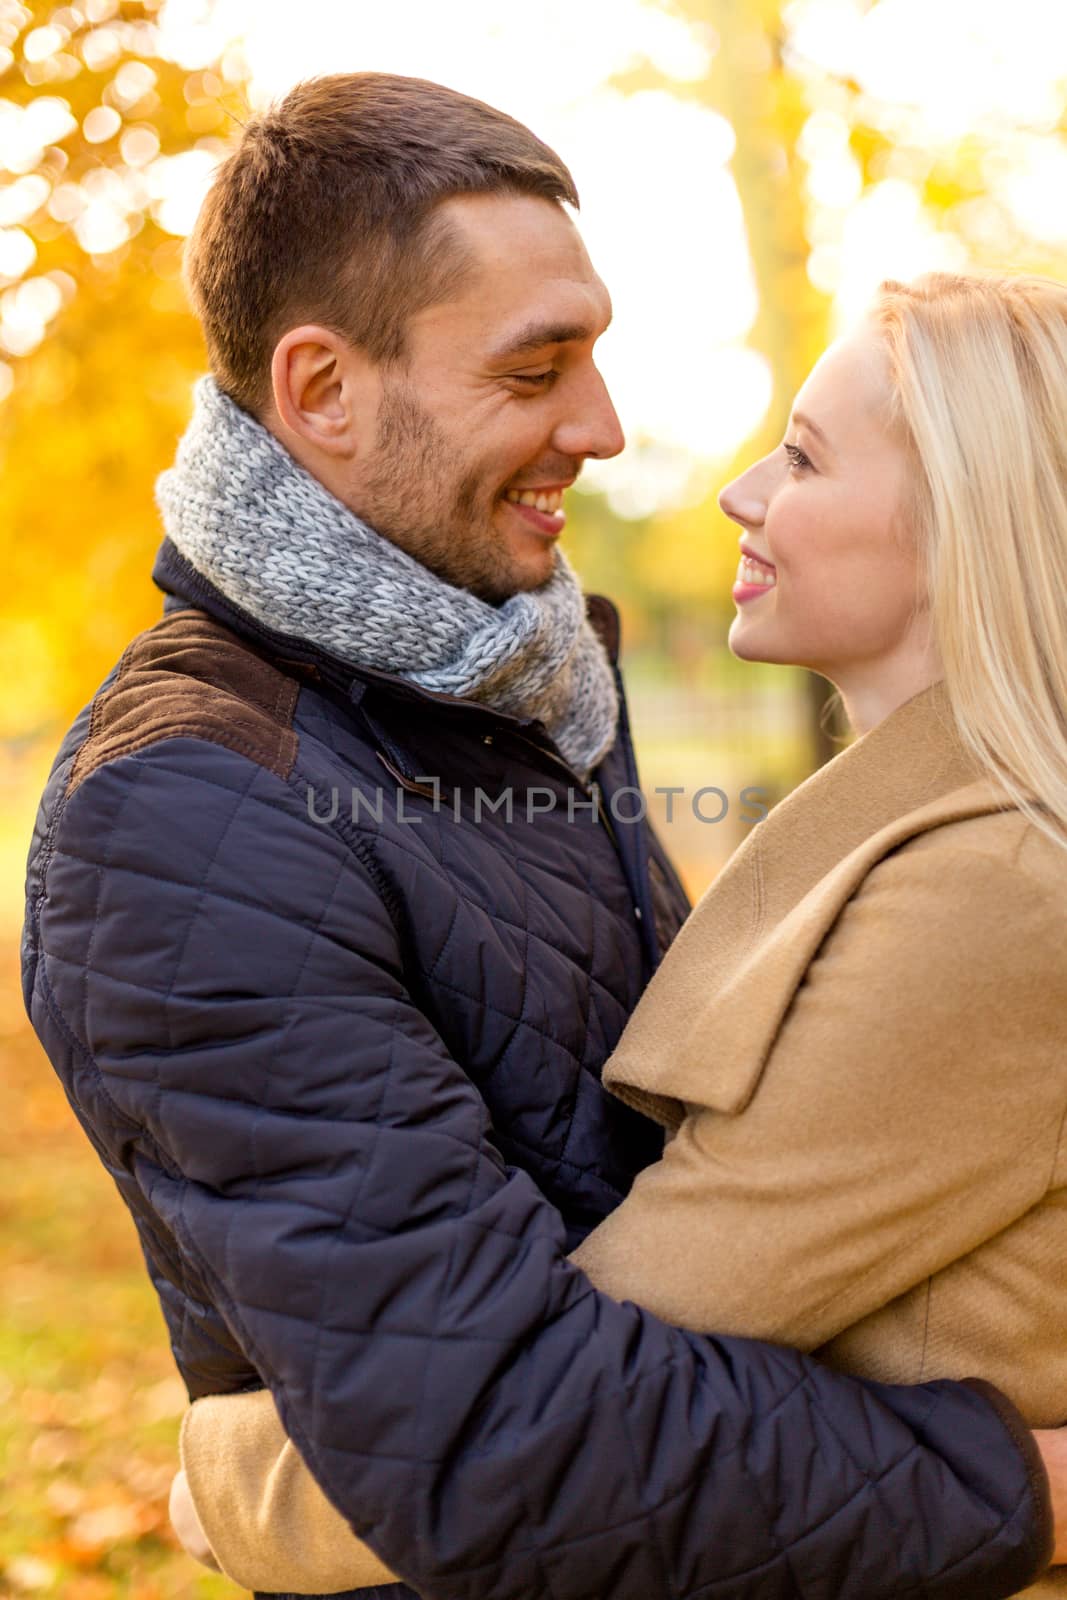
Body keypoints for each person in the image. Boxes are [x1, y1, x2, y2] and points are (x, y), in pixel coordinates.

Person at [20, 72, 1063, 1600]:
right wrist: (1027, 1484)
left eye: (598, 355)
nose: (608, 426)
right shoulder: (195, 814)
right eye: (535, 372)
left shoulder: (528, 676)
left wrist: (243, 1487)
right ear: (320, 393)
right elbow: (496, 1438)